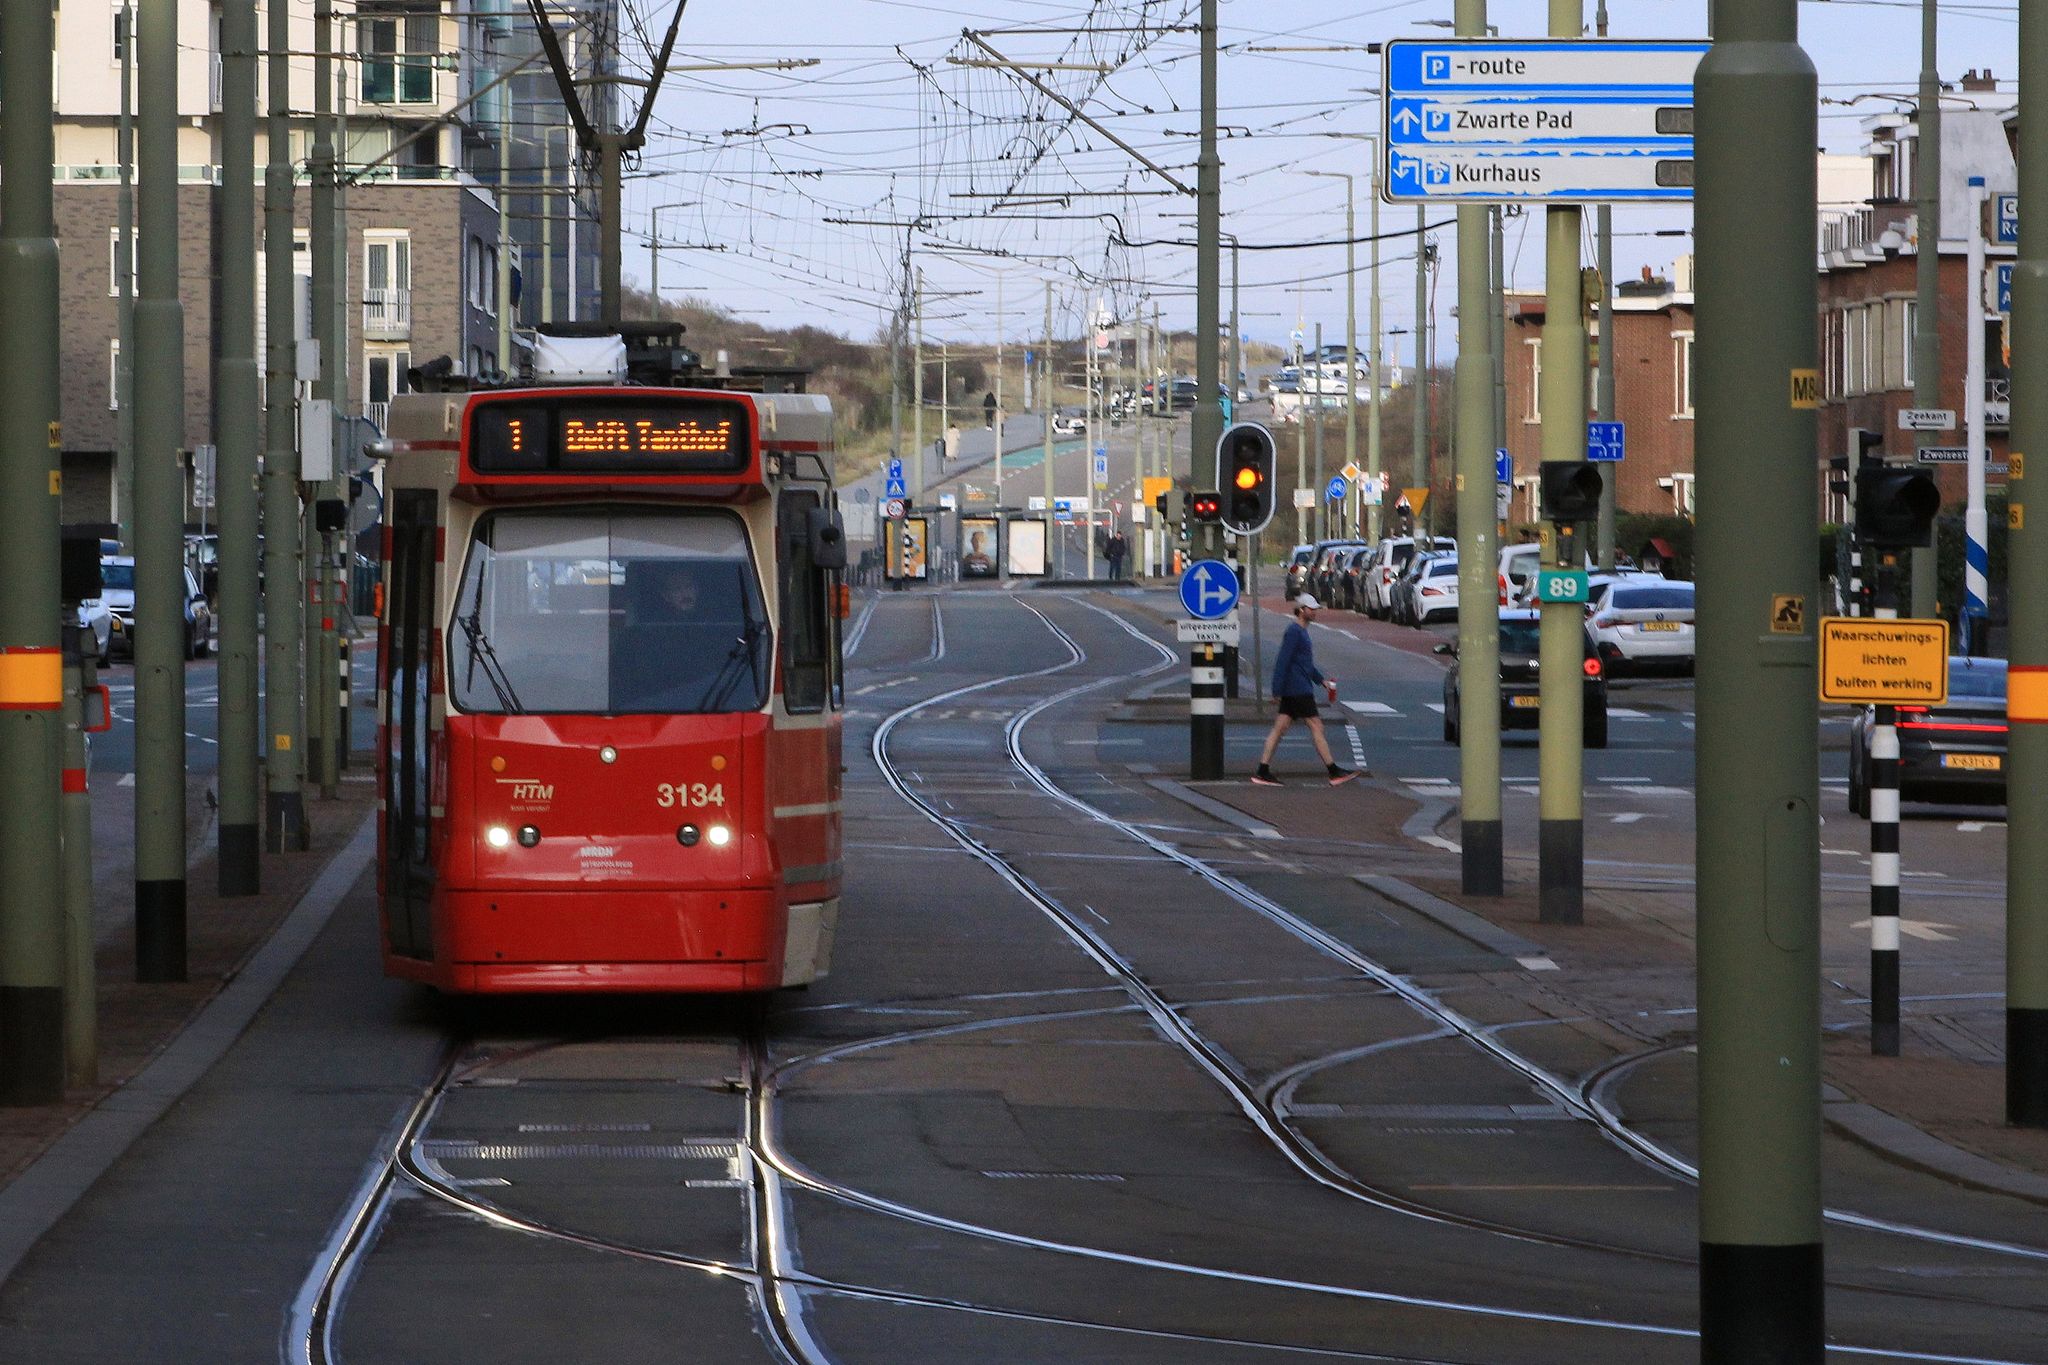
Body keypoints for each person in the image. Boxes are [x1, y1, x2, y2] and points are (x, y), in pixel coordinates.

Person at [1254, 594, 1357, 786]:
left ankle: (1262, 770)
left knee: (1279, 729)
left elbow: (1304, 664)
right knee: (1316, 726)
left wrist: (1321, 681)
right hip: (1298, 689)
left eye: (1316, 608)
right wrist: (1276, 690)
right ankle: (1333, 771)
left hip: (1296, 687)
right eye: (1311, 608)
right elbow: (1283, 661)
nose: (1315, 611)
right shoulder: (1294, 632)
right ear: (1301, 610)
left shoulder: (1301, 631)